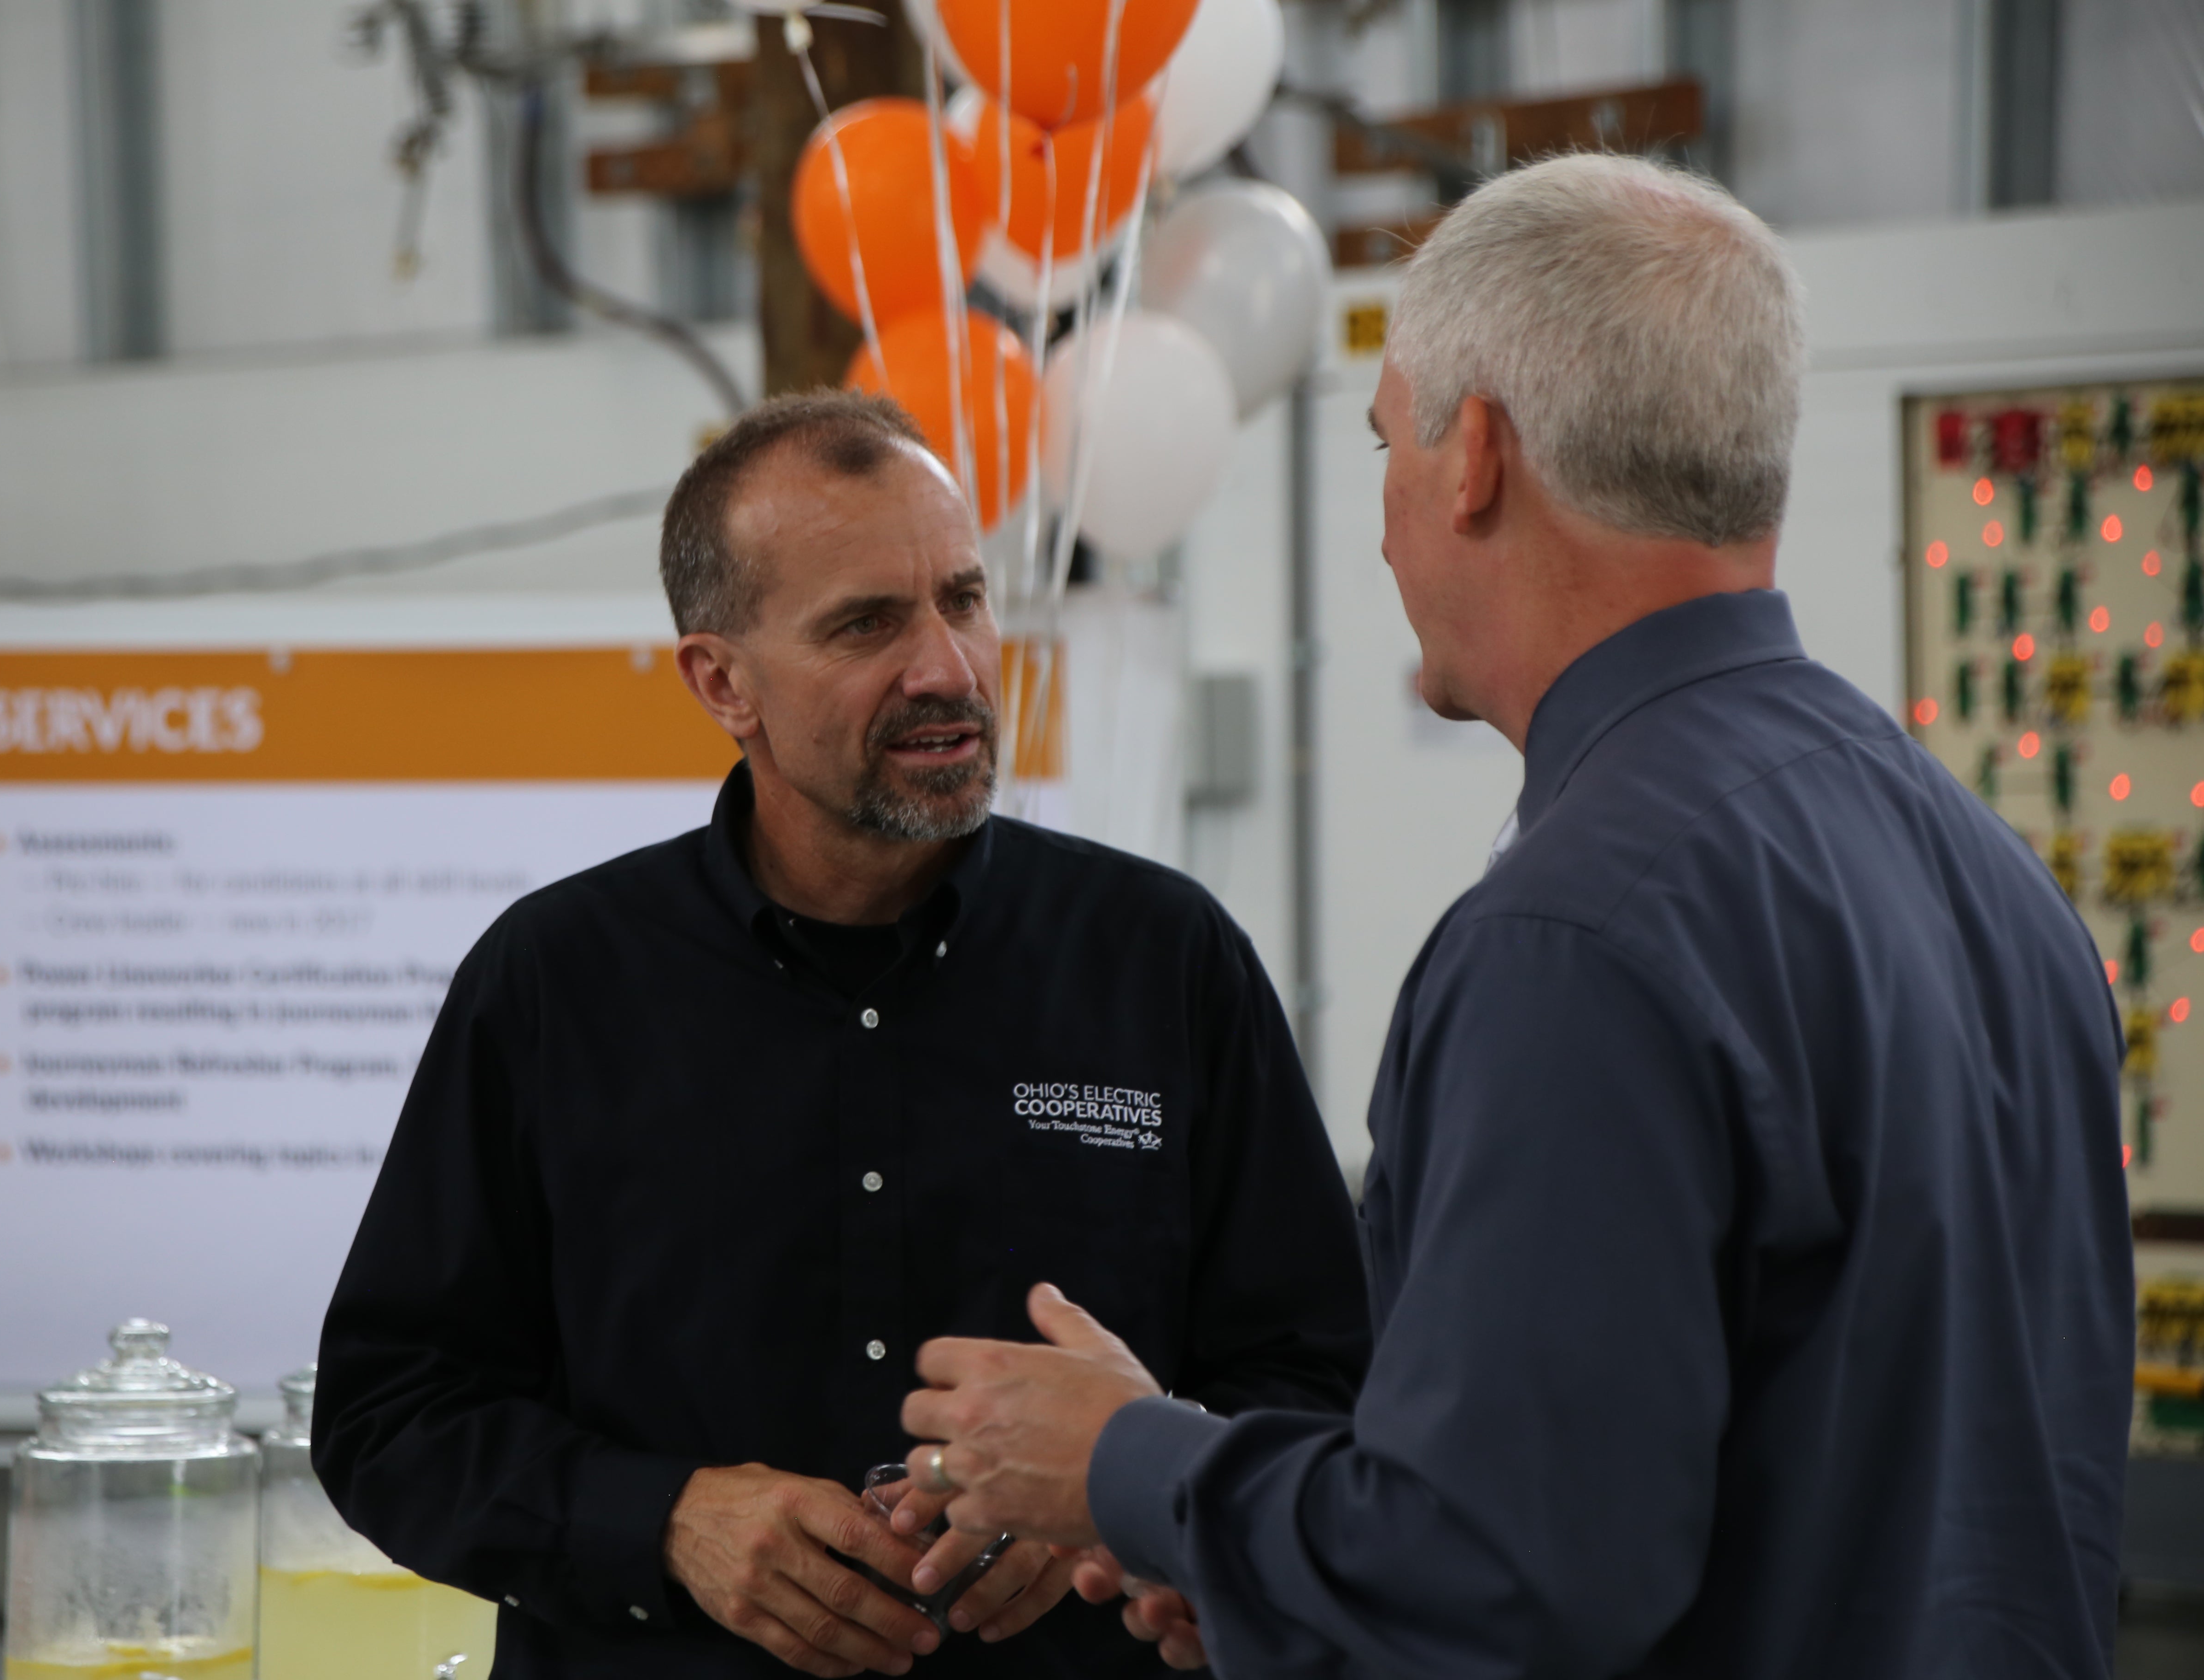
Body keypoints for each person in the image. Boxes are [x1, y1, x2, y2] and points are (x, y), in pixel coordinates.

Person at [895, 154, 2133, 1679]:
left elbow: (1500, 1577)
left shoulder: (1578, 936)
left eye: (1383, 449)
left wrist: (1129, 1465)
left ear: (1473, 454)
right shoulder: (1983, 872)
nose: (1385, 524)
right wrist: (1258, 1552)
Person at [313, 391, 1372, 1680]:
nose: (949, 668)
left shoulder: (1163, 958)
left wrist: (1128, 1482)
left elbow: (1323, 1378)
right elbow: (391, 1416)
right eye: (868, 623)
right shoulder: (556, 985)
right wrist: (665, 1522)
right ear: (723, 682)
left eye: (966, 600)